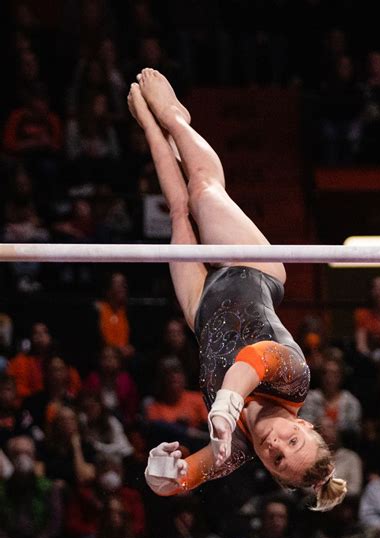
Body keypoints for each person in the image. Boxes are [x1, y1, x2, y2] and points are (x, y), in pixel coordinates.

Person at [128, 68, 346, 511]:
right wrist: (225, 408)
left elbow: (180, 481)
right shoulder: (294, 379)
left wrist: (161, 473)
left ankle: (153, 127)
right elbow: (253, 359)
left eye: (278, 461)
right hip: (253, 270)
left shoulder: (236, 449)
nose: (275, 446)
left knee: (178, 211)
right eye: (291, 441)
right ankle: (174, 118)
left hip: (202, 309)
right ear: (307, 428)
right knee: (204, 190)